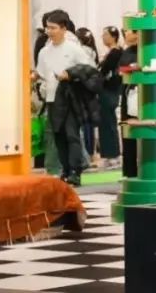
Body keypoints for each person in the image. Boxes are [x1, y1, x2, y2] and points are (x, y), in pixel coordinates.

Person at [35, 10, 96, 185]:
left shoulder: (74, 49)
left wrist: (70, 74)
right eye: (47, 28)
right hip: (52, 98)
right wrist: (33, 77)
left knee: (72, 135)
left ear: (63, 29)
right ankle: (66, 170)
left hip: (71, 98)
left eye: (53, 28)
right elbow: (41, 73)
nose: (49, 31)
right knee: (58, 135)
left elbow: (89, 70)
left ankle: (76, 172)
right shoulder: (44, 52)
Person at [97, 26, 124, 169]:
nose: (103, 37)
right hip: (105, 91)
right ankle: (107, 155)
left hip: (110, 91)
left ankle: (113, 155)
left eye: (106, 35)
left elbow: (104, 71)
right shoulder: (110, 53)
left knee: (109, 123)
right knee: (104, 123)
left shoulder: (116, 53)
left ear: (114, 37)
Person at [76, 28, 100, 164]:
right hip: (91, 90)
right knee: (90, 123)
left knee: (84, 122)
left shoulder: (81, 51)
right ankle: (91, 153)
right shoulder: (92, 52)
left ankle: (87, 154)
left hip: (82, 89)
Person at [119, 28, 140, 178]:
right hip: (129, 96)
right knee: (128, 133)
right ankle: (129, 172)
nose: (125, 34)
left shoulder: (147, 50)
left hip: (145, 96)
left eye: (128, 31)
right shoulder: (126, 52)